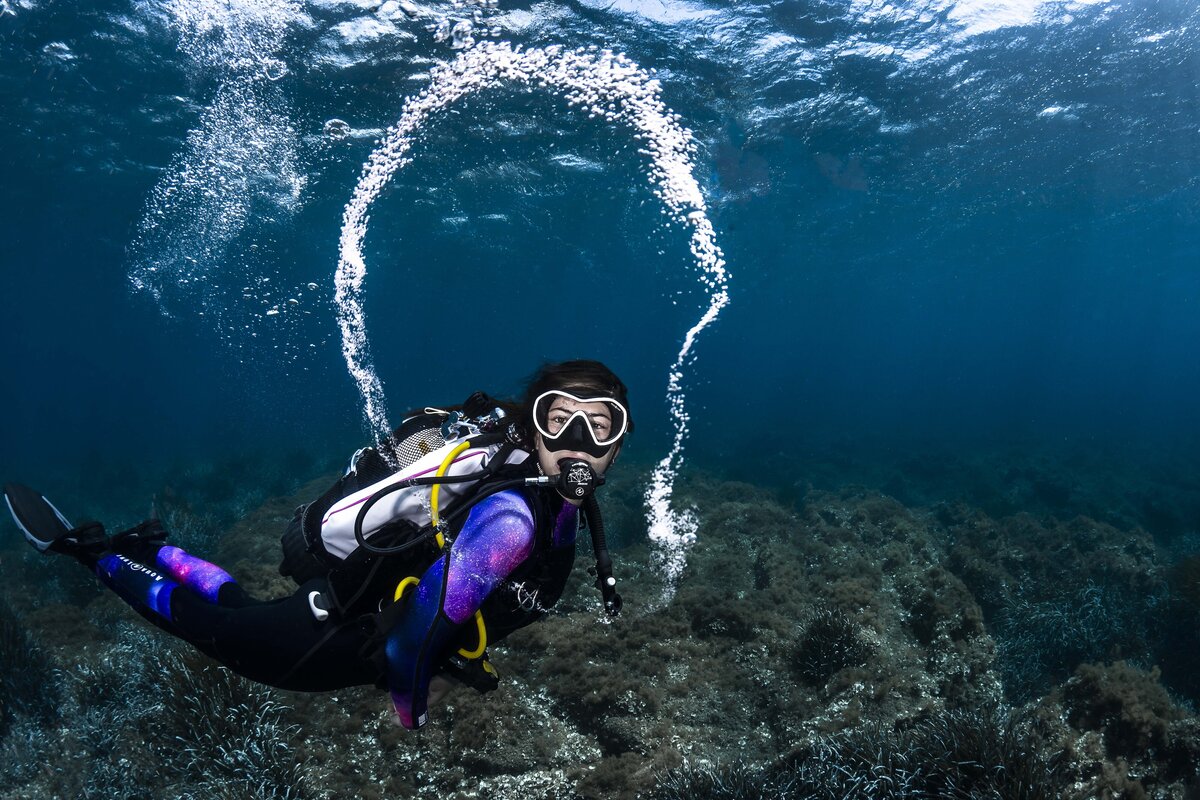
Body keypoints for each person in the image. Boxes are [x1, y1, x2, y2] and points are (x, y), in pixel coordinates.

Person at [4, 360, 632, 730]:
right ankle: (87, 550)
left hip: (341, 608)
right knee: (204, 623)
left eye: (599, 426)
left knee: (240, 607)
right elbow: (416, 634)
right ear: (534, 423)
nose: (578, 440)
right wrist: (410, 705)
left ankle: (153, 547)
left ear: (618, 445)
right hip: (326, 643)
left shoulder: (559, 508)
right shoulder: (514, 519)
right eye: (559, 419)